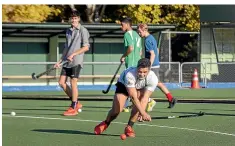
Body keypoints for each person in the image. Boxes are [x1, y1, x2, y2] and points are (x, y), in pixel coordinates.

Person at [94, 58, 157, 137]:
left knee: (139, 107)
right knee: (117, 110)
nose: (142, 74)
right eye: (140, 71)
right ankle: (106, 122)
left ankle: (129, 127)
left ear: (149, 70)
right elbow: (133, 97)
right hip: (123, 85)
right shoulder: (130, 75)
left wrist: (142, 113)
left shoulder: (153, 78)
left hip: (139, 87)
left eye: (145, 72)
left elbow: (145, 98)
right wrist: (143, 113)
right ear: (137, 68)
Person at [54, 11, 90, 116]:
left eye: (75, 18)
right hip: (66, 62)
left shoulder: (83, 30)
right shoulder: (68, 30)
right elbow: (66, 47)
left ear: (78, 19)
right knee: (61, 83)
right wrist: (59, 61)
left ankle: (73, 107)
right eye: (72, 18)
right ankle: (77, 102)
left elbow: (86, 47)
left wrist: (74, 54)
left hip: (76, 61)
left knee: (73, 82)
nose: (73, 20)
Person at [137, 23, 177, 110]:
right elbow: (157, 51)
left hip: (152, 66)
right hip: (156, 64)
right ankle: (171, 98)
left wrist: (148, 67)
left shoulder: (147, 40)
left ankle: (148, 102)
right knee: (158, 83)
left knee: (145, 84)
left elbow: (153, 54)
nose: (139, 34)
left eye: (139, 32)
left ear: (144, 30)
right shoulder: (152, 38)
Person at [119, 17, 143, 112]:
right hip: (138, 62)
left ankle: (125, 104)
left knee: (128, 84)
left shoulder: (127, 35)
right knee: (135, 86)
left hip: (131, 63)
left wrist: (123, 56)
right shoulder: (137, 35)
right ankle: (133, 104)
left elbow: (131, 48)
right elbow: (140, 52)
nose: (121, 27)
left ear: (127, 25)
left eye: (122, 25)